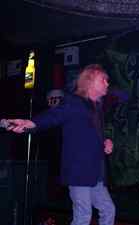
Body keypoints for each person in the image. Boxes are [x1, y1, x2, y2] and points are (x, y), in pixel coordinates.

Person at [5, 64, 115, 225]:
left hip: (95, 173)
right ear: (90, 81)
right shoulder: (75, 103)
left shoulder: (97, 108)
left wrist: (105, 142)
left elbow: (90, 136)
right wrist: (31, 123)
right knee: (83, 216)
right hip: (79, 172)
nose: (107, 83)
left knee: (108, 210)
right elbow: (53, 116)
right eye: (104, 79)